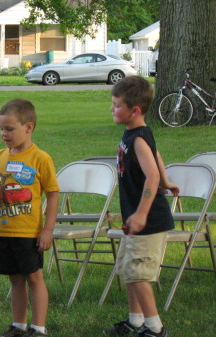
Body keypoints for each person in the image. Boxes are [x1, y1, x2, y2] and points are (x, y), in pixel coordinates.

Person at [0, 99, 59, 337]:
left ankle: (39, 328)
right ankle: (19, 325)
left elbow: (53, 194)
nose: (4, 134)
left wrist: (48, 230)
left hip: (28, 232)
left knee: (34, 276)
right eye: (1, 128)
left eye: (9, 129)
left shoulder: (40, 159)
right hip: (2, 231)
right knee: (15, 278)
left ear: (28, 127)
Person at [105, 76, 179, 337]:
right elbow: (156, 155)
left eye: (116, 105)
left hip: (147, 220)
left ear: (134, 110)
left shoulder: (137, 138)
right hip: (136, 218)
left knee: (138, 272)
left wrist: (141, 213)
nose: (111, 109)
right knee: (128, 268)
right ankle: (135, 321)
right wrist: (168, 180)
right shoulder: (137, 134)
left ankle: (155, 328)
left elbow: (152, 176)